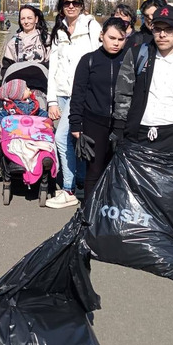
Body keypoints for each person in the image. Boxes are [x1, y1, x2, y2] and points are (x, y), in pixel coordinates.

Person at [111, 4, 173, 159]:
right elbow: (123, 92)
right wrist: (118, 127)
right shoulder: (137, 54)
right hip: (139, 131)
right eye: (157, 28)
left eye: (169, 29)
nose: (162, 34)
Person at [44, 0, 101, 209]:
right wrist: (51, 101)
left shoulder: (90, 27)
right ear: (61, 6)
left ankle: (67, 189)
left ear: (81, 5)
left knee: (61, 138)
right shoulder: (58, 31)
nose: (71, 6)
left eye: (75, 3)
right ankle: (79, 184)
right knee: (75, 141)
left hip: (81, 95)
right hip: (61, 94)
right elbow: (54, 68)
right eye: (67, 3)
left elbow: (98, 61)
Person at [69, 17, 129, 207]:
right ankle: (89, 211)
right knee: (94, 170)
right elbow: (78, 94)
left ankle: (111, 211)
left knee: (117, 170)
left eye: (121, 39)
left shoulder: (130, 61)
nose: (116, 43)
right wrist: (75, 124)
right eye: (112, 38)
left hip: (122, 124)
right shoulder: (89, 60)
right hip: (94, 122)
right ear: (102, 36)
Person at [1, 5, 50, 72]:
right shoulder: (13, 42)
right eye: (23, 18)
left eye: (29, 18)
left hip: (41, 79)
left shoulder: (46, 39)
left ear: (36, 19)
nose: (26, 22)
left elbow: (51, 64)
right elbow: (7, 68)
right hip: (20, 79)